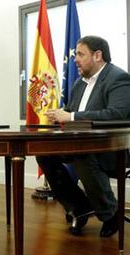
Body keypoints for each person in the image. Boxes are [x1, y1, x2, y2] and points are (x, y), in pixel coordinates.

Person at [36, 36, 130, 237]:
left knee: (82, 154)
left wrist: (70, 116)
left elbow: (117, 114)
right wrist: (58, 116)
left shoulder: (118, 78)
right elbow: (70, 112)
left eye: (80, 54)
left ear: (98, 55)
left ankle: (110, 213)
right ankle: (79, 206)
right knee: (43, 154)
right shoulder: (79, 83)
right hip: (80, 145)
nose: (75, 59)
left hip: (113, 148)